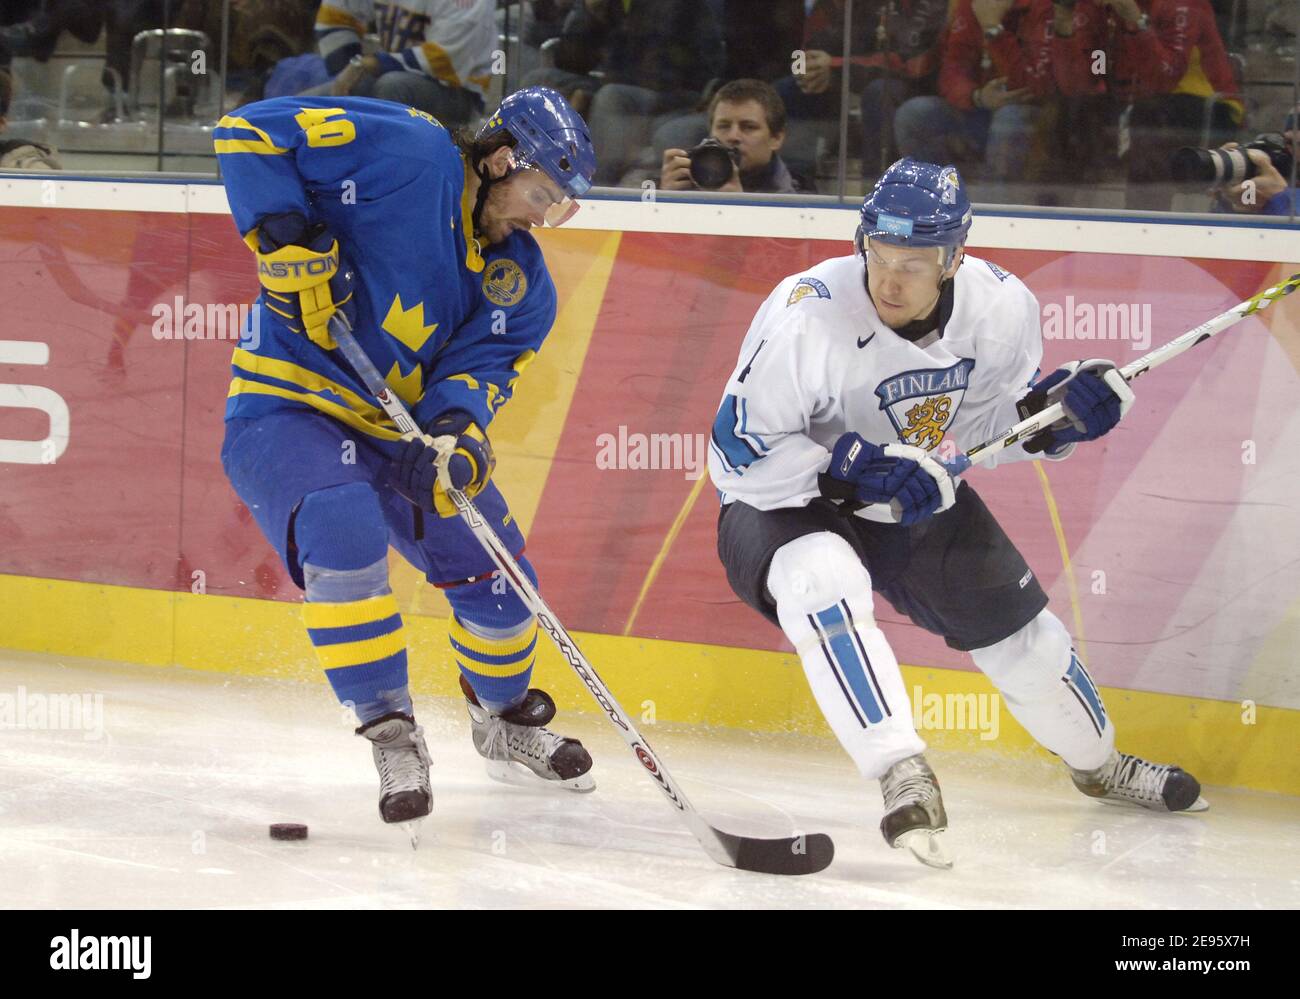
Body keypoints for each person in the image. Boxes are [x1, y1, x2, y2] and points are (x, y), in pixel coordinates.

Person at [708, 158, 1206, 868]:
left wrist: (1051, 420)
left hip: (911, 499)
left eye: (914, 262)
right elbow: (735, 453)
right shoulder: (804, 311)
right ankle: (899, 771)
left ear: (954, 257)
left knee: (1026, 646)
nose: (889, 278)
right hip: (784, 502)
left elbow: (980, 435)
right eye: (878, 252)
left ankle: (1100, 763)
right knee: (822, 581)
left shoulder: (1000, 308)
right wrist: (843, 466)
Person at [213, 87, 598, 842]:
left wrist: (457, 436)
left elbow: (476, 376)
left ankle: (502, 717)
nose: (540, 219)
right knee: (341, 519)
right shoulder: (415, 152)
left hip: (398, 433)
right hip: (287, 406)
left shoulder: (523, 287)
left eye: (558, 207)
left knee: (498, 571)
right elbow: (248, 131)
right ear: (496, 158)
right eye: (540, 195)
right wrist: (286, 232)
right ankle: (390, 733)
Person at [309, 1, 496, 128]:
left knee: (393, 86)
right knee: (306, 106)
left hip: (459, 94)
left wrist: (367, 64)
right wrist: (347, 73)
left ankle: (387, 174)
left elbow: (445, 60)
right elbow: (334, 17)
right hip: (388, 74)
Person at [658, 79, 815, 194]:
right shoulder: (687, 176)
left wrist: (738, 209)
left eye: (748, 127)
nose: (733, 136)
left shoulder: (801, 198)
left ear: (776, 138)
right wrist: (665, 201)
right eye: (724, 126)